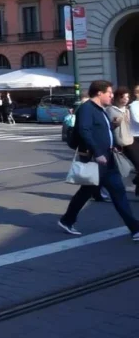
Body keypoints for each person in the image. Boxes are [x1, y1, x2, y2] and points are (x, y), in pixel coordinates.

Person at [58, 80, 139, 240]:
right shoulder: (87, 109)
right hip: (96, 158)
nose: (111, 95)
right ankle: (67, 219)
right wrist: (97, 152)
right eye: (109, 92)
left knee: (117, 192)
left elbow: (105, 131)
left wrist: (114, 145)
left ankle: (135, 229)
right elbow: (84, 131)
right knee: (88, 191)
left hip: (107, 157)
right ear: (99, 93)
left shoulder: (101, 110)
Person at [107, 87, 139, 192]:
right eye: (123, 97)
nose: (126, 99)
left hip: (130, 139)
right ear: (116, 97)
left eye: (127, 97)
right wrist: (114, 124)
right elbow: (107, 127)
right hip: (122, 142)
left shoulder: (127, 109)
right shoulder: (111, 110)